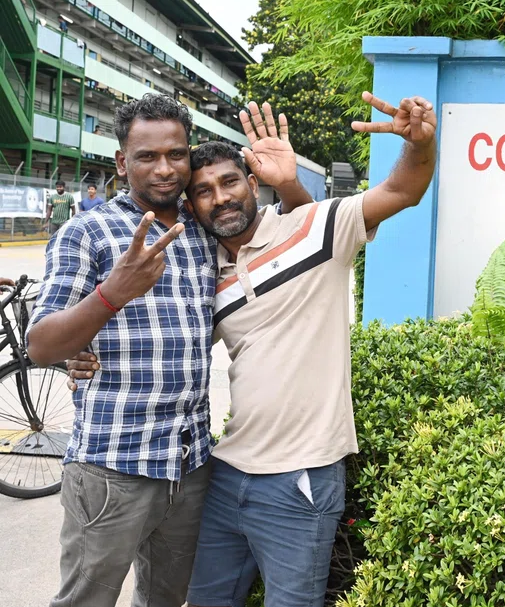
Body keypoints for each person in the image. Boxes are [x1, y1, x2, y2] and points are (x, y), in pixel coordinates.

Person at [68, 91, 438, 607]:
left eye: (230, 182)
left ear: (252, 181)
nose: (220, 198)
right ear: (190, 207)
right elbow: (162, 340)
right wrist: (81, 353)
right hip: (223, 472)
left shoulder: (315, 228)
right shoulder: (205, 273)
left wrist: (419, 144)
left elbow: (403, 190)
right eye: (203, 191)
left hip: (301, 476)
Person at [28, 92, 313, 607]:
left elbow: (296, 230)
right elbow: (41, 344)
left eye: (176, 154)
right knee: (86, 599)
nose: (164, 169)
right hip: (113, 465)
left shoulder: (204, 226)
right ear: (122, 162)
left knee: (166, 598)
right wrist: (111, 294)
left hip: (190, 464)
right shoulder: (87, 232)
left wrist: (288, 182)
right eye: (147, 156)